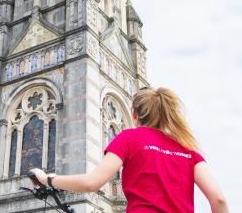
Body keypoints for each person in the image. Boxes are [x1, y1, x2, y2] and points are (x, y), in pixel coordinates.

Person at [31, 87, 229, 213]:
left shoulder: (129, 138)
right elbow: (218, 200)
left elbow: (92, 182)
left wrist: (46, 179)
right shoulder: (189, 149)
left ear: (134, 115)